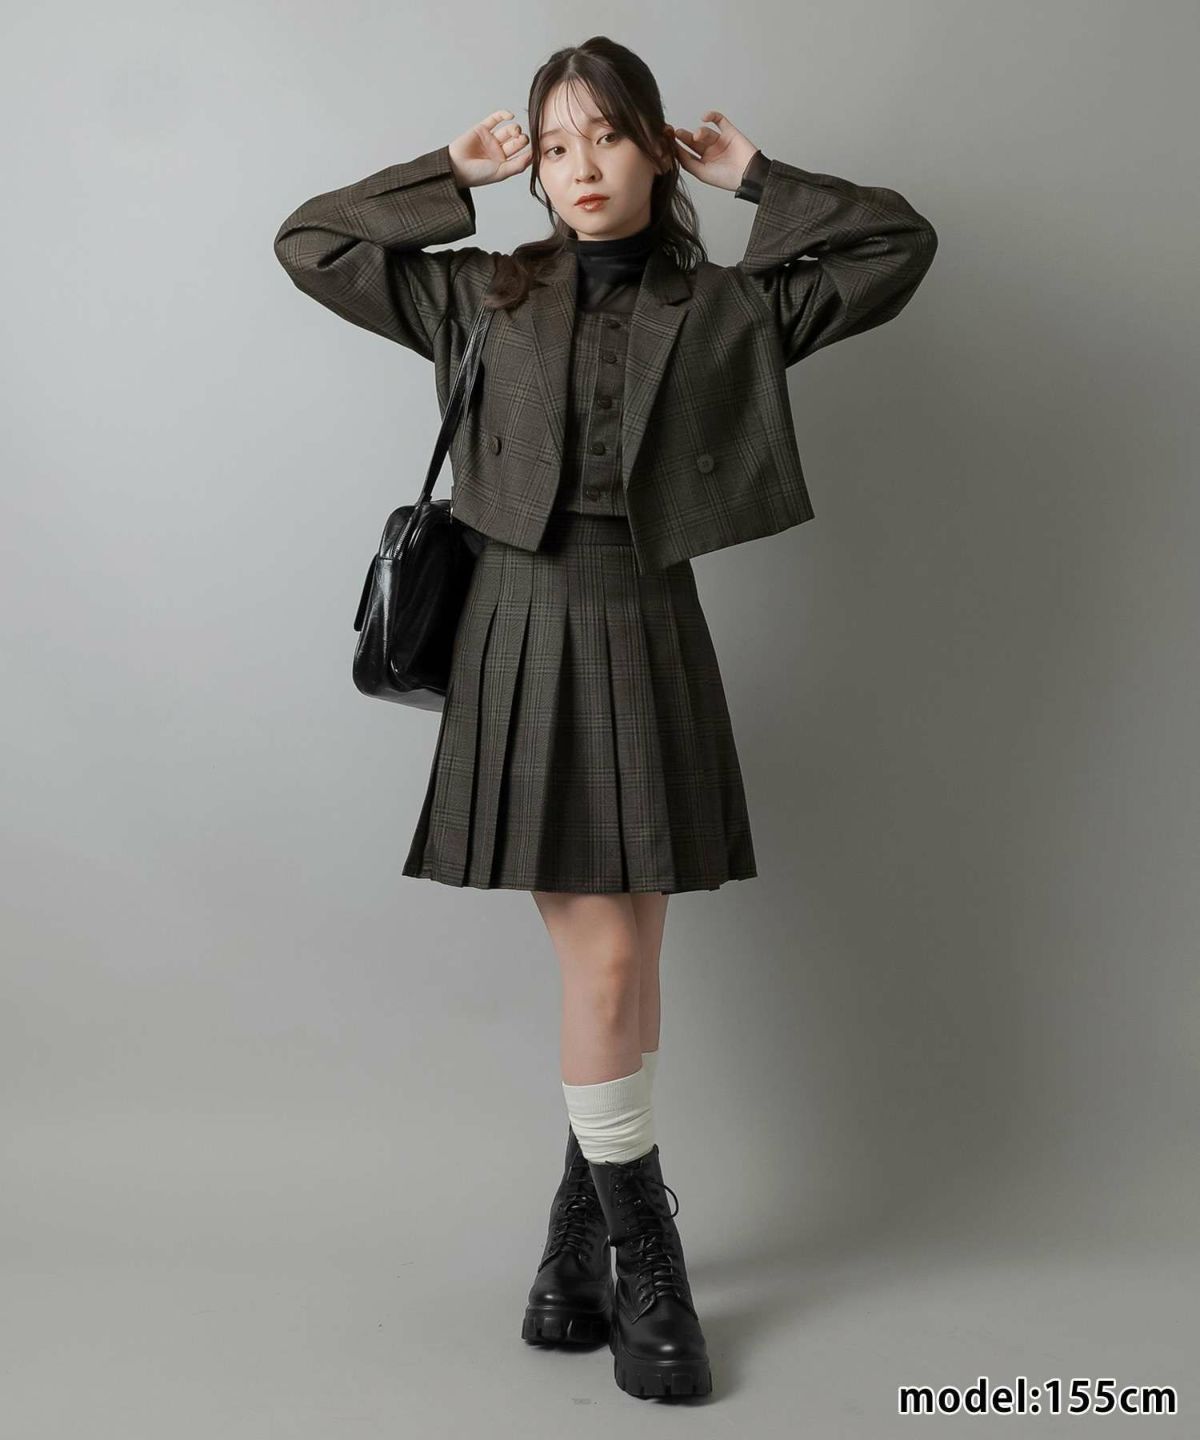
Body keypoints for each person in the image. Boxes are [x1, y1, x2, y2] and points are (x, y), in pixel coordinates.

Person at [274, 35, 937, 1402]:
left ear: (657, 150)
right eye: (558, 142)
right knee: (609, 964)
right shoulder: (482, 292)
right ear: (537, 165)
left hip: (651, 621)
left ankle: (569, 1259)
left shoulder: (728, 305)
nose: (581, 166)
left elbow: (892, 246)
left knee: (633, 962)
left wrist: (759, 178)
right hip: (520, 625)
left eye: (609, 136)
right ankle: (648, 1259)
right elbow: (313, 242)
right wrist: (450, 173)